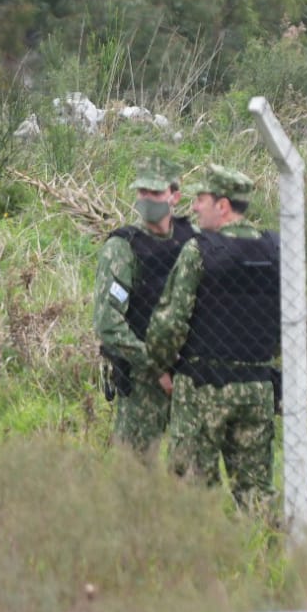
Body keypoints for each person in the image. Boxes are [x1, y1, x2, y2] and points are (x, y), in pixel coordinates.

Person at [146, 165, 280, 510]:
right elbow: (290, 320)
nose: (194, 207)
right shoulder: (276, 250)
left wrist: (161, 367)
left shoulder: (199, 251)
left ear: (222, 206)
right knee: (256, 491)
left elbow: (170, 321)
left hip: (202, 387)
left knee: (190, 490)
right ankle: (267, 543)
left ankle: (200, 546)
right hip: (257, 387)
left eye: (201, 200)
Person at [93, 158, 195, 455]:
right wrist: (156, 366)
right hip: (142, 381)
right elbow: (108, 322)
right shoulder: (123, 247)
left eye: (156, 193)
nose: (147, 199)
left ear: (175, 196)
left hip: (191, 377)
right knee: (135, 469)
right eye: (142, 192)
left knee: (192, 469)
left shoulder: (193, 242)